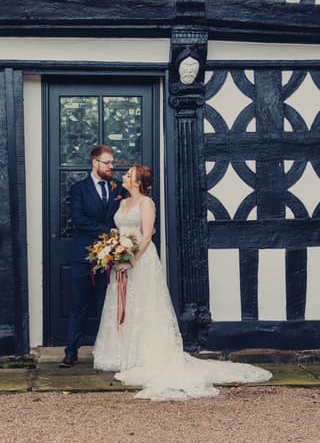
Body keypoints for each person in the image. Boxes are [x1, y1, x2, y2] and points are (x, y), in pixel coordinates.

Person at [93, 165, 272, 400]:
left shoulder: (146, 203)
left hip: (141, 260)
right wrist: (114, 250)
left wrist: (131, 260)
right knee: (124, 303)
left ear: (137, 182)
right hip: (122, 260)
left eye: (129, 175)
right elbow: (120, 230)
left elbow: (146, 235)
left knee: (145, 304)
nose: (124, 177)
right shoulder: (122, 203)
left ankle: (143, 356)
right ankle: (121, 353)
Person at [59, 145, 126, 368]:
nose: (111, 166)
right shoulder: (79, 188)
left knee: (105, 305)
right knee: (79, 305)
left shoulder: (117, 188)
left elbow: (128, 211)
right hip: (84, 256)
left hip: (112, 257)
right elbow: (78, 220)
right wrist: (108, 232)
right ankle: (71, 352)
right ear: (95, 163)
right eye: (107, 162)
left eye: (112, 163)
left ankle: (105, 352)